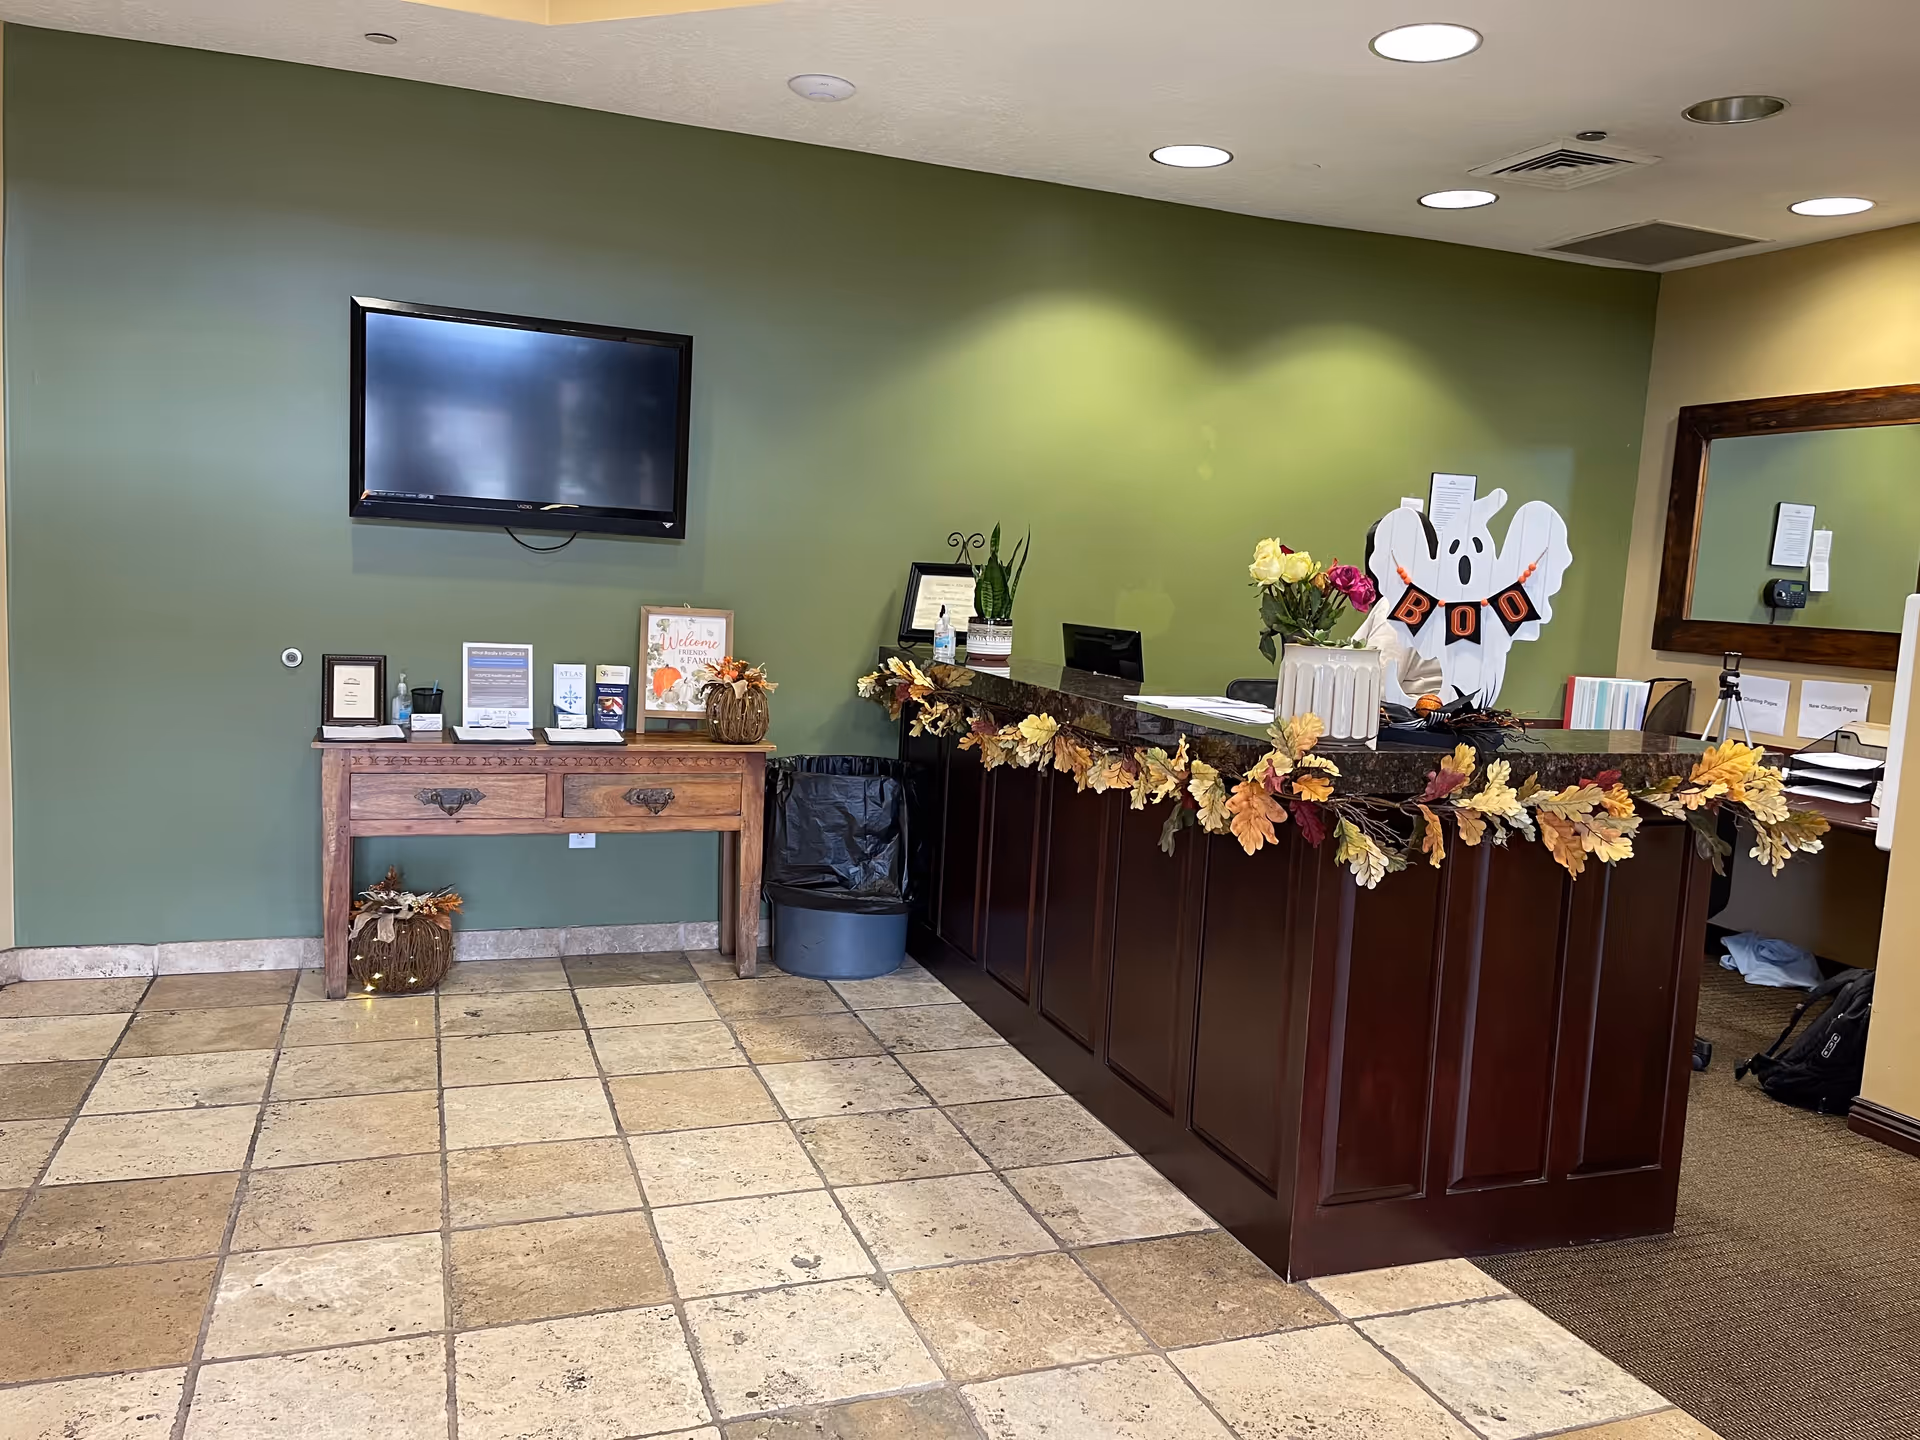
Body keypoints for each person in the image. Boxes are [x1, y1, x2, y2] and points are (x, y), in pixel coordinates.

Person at [1356, 596, 1442, 707]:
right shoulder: (1460, 602)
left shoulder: (1402, 601)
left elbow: (1376, 688)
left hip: (1395, 717)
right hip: (1446, 714)